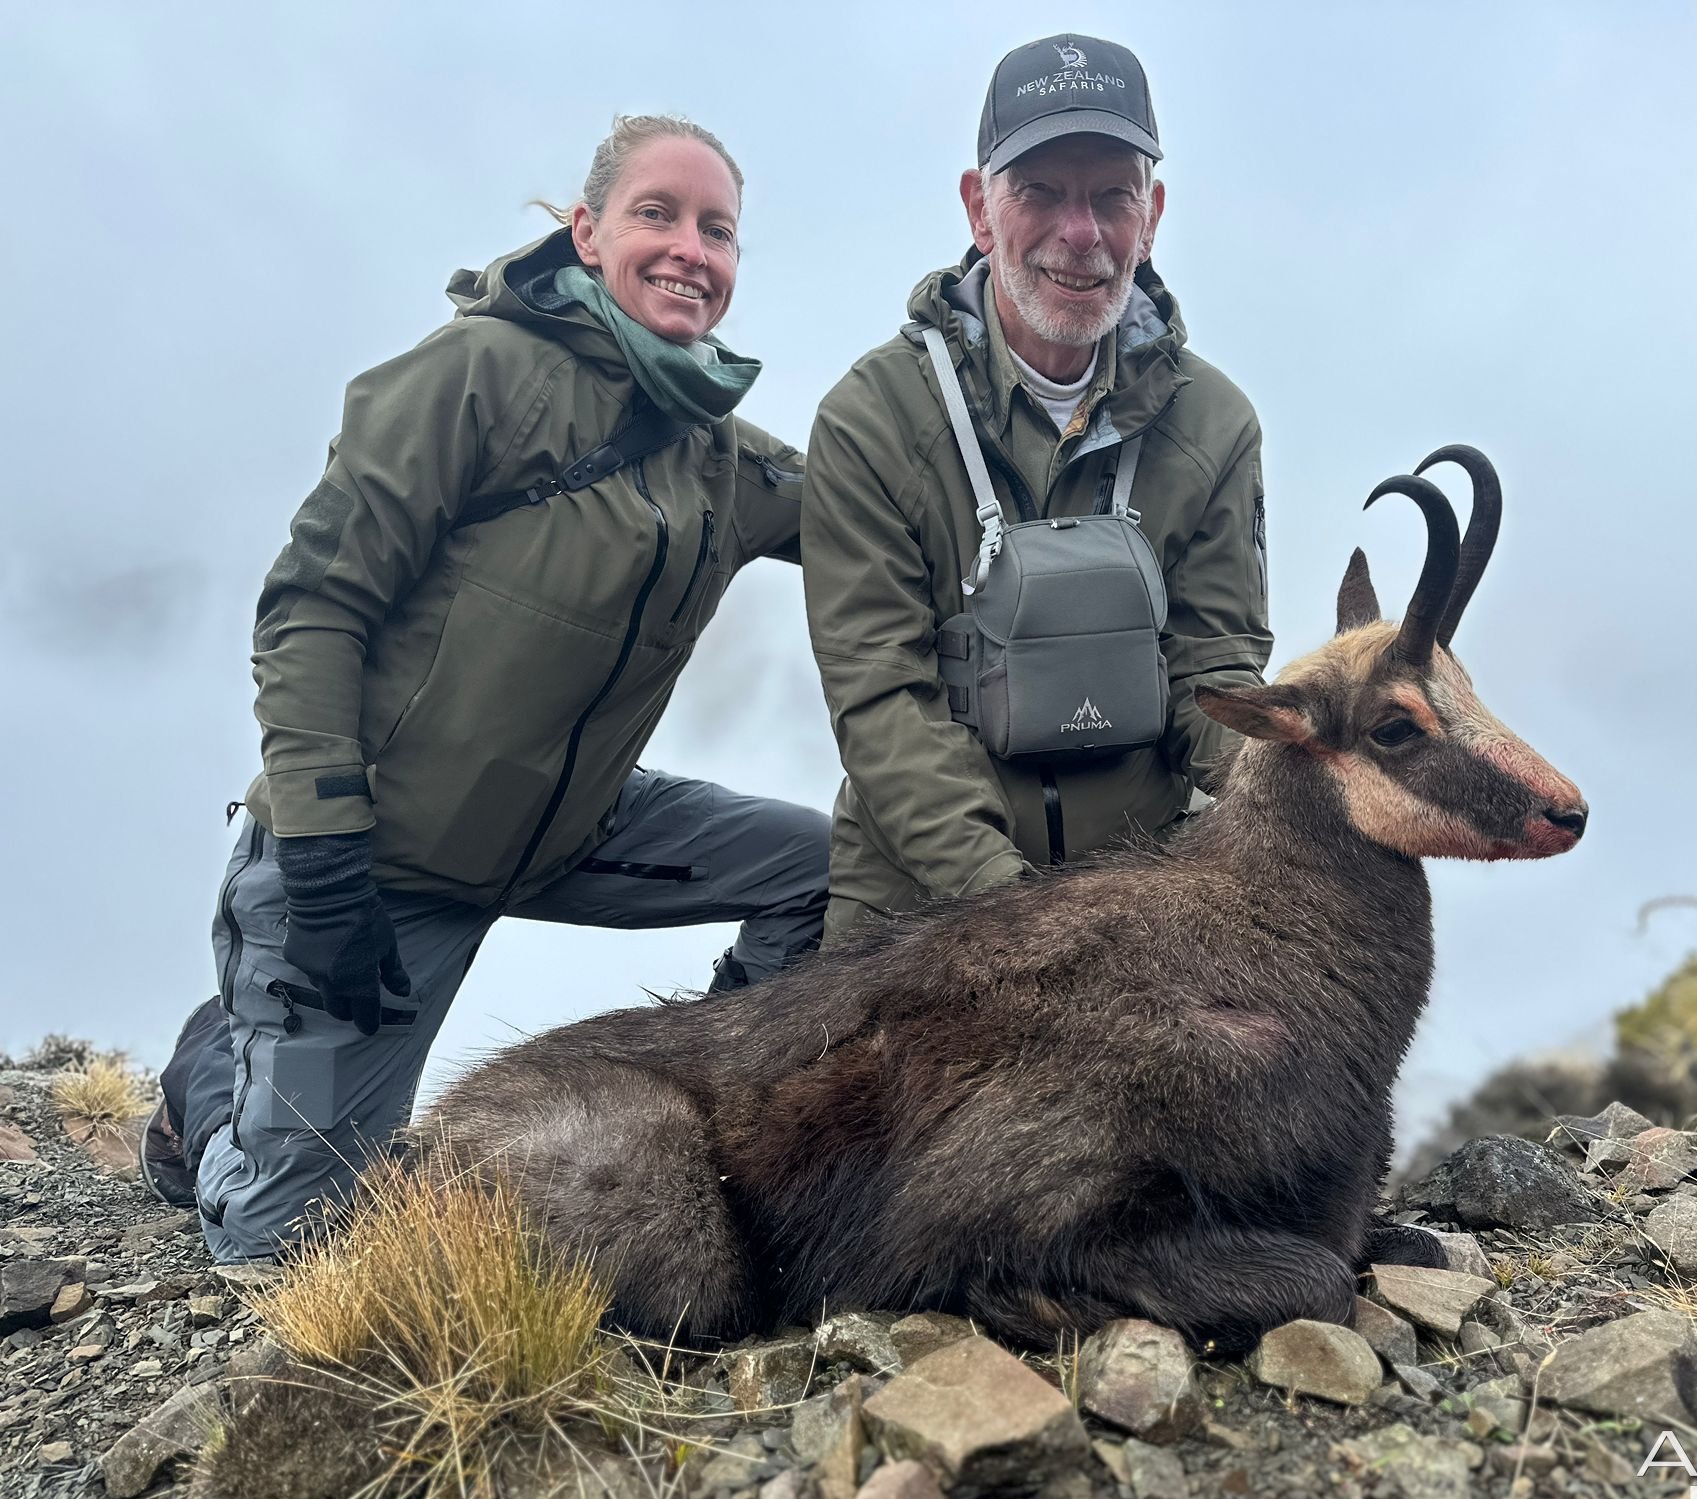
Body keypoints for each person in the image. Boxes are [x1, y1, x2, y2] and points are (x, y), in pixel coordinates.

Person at [142, 116, 829, 1262]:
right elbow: (313, 607)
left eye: (717, 230)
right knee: (289, 1251)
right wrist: (317, 855)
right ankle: (208, 1092)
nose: (688, 249)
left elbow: (873, 511)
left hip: (569, 830)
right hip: (371, 862)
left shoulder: (722, 456)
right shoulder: (475, 375)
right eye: (655, 213)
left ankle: (710, 1087)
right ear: (586, 229)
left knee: (821, 866)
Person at [800, 34, 1273, 942]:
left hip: (1146, 889)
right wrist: (1011, 911)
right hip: (918, 905)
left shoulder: (1218, 423)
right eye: (1041, 193)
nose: (1080, 234)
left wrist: (1304, 798)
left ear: (1154, 213)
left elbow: (1213, 672)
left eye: (1111, 198)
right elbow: (882, 697)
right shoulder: (872, 417)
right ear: (980, 208)